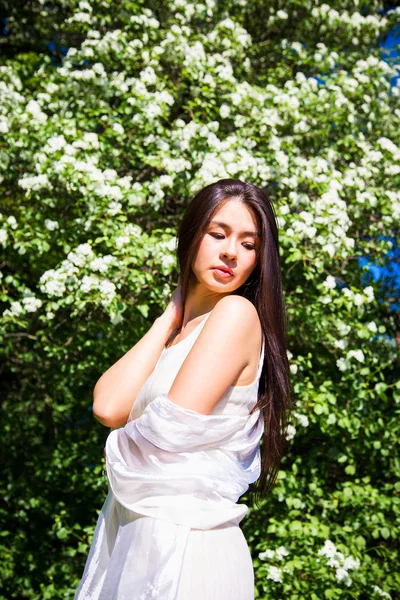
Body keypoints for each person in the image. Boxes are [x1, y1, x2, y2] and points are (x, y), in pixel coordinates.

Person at [74, 178, 292, 600]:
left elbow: (168, 429)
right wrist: (170, 316)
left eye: (249, 245)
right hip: (139, 539)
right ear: (192, 235)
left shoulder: (236, 313)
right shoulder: (179, 332)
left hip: (190, 547)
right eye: (218, 233)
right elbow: (106, 405)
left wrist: (124, 439)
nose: (231, 251)